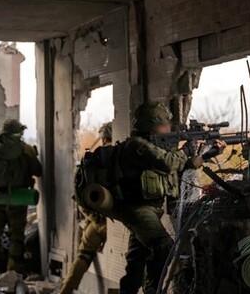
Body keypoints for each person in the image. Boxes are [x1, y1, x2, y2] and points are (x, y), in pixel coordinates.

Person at [115, 102, 225, 294]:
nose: (168, 128)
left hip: (148, 209)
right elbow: (166, 163)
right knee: (163, 245)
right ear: (151, 125)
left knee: (137, 258)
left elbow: (181, 167)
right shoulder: (137, 146)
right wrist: (185, 151)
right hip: (138, 208)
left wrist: (206, 155)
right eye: (164, 124)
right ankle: (153, 289)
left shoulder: (154, 146)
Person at [0, 119, 42, 280]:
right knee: (16, 235)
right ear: (19, 132)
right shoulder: (25, 149)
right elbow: (38, 171)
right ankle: (12, 271)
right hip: (17, 198)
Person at [58, 122, 113, 294]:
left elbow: (80, 196)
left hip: (99, 221)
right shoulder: (125, 158)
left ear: (103, 138)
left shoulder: (93, 160)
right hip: (120, 221)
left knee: (83, 254)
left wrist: (94, 220)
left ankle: (65, 291)